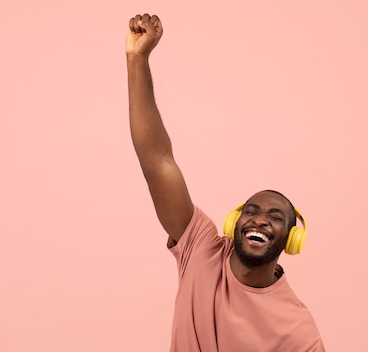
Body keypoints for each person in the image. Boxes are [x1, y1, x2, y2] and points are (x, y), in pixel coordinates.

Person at [126, 13, 325, 352]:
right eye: (252, 210)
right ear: (235, 222)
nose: (260, 219)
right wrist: (137, 58)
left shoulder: (299, 332)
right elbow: (157, 160)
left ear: (292, 238)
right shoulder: (201, 248)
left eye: (275, 217)